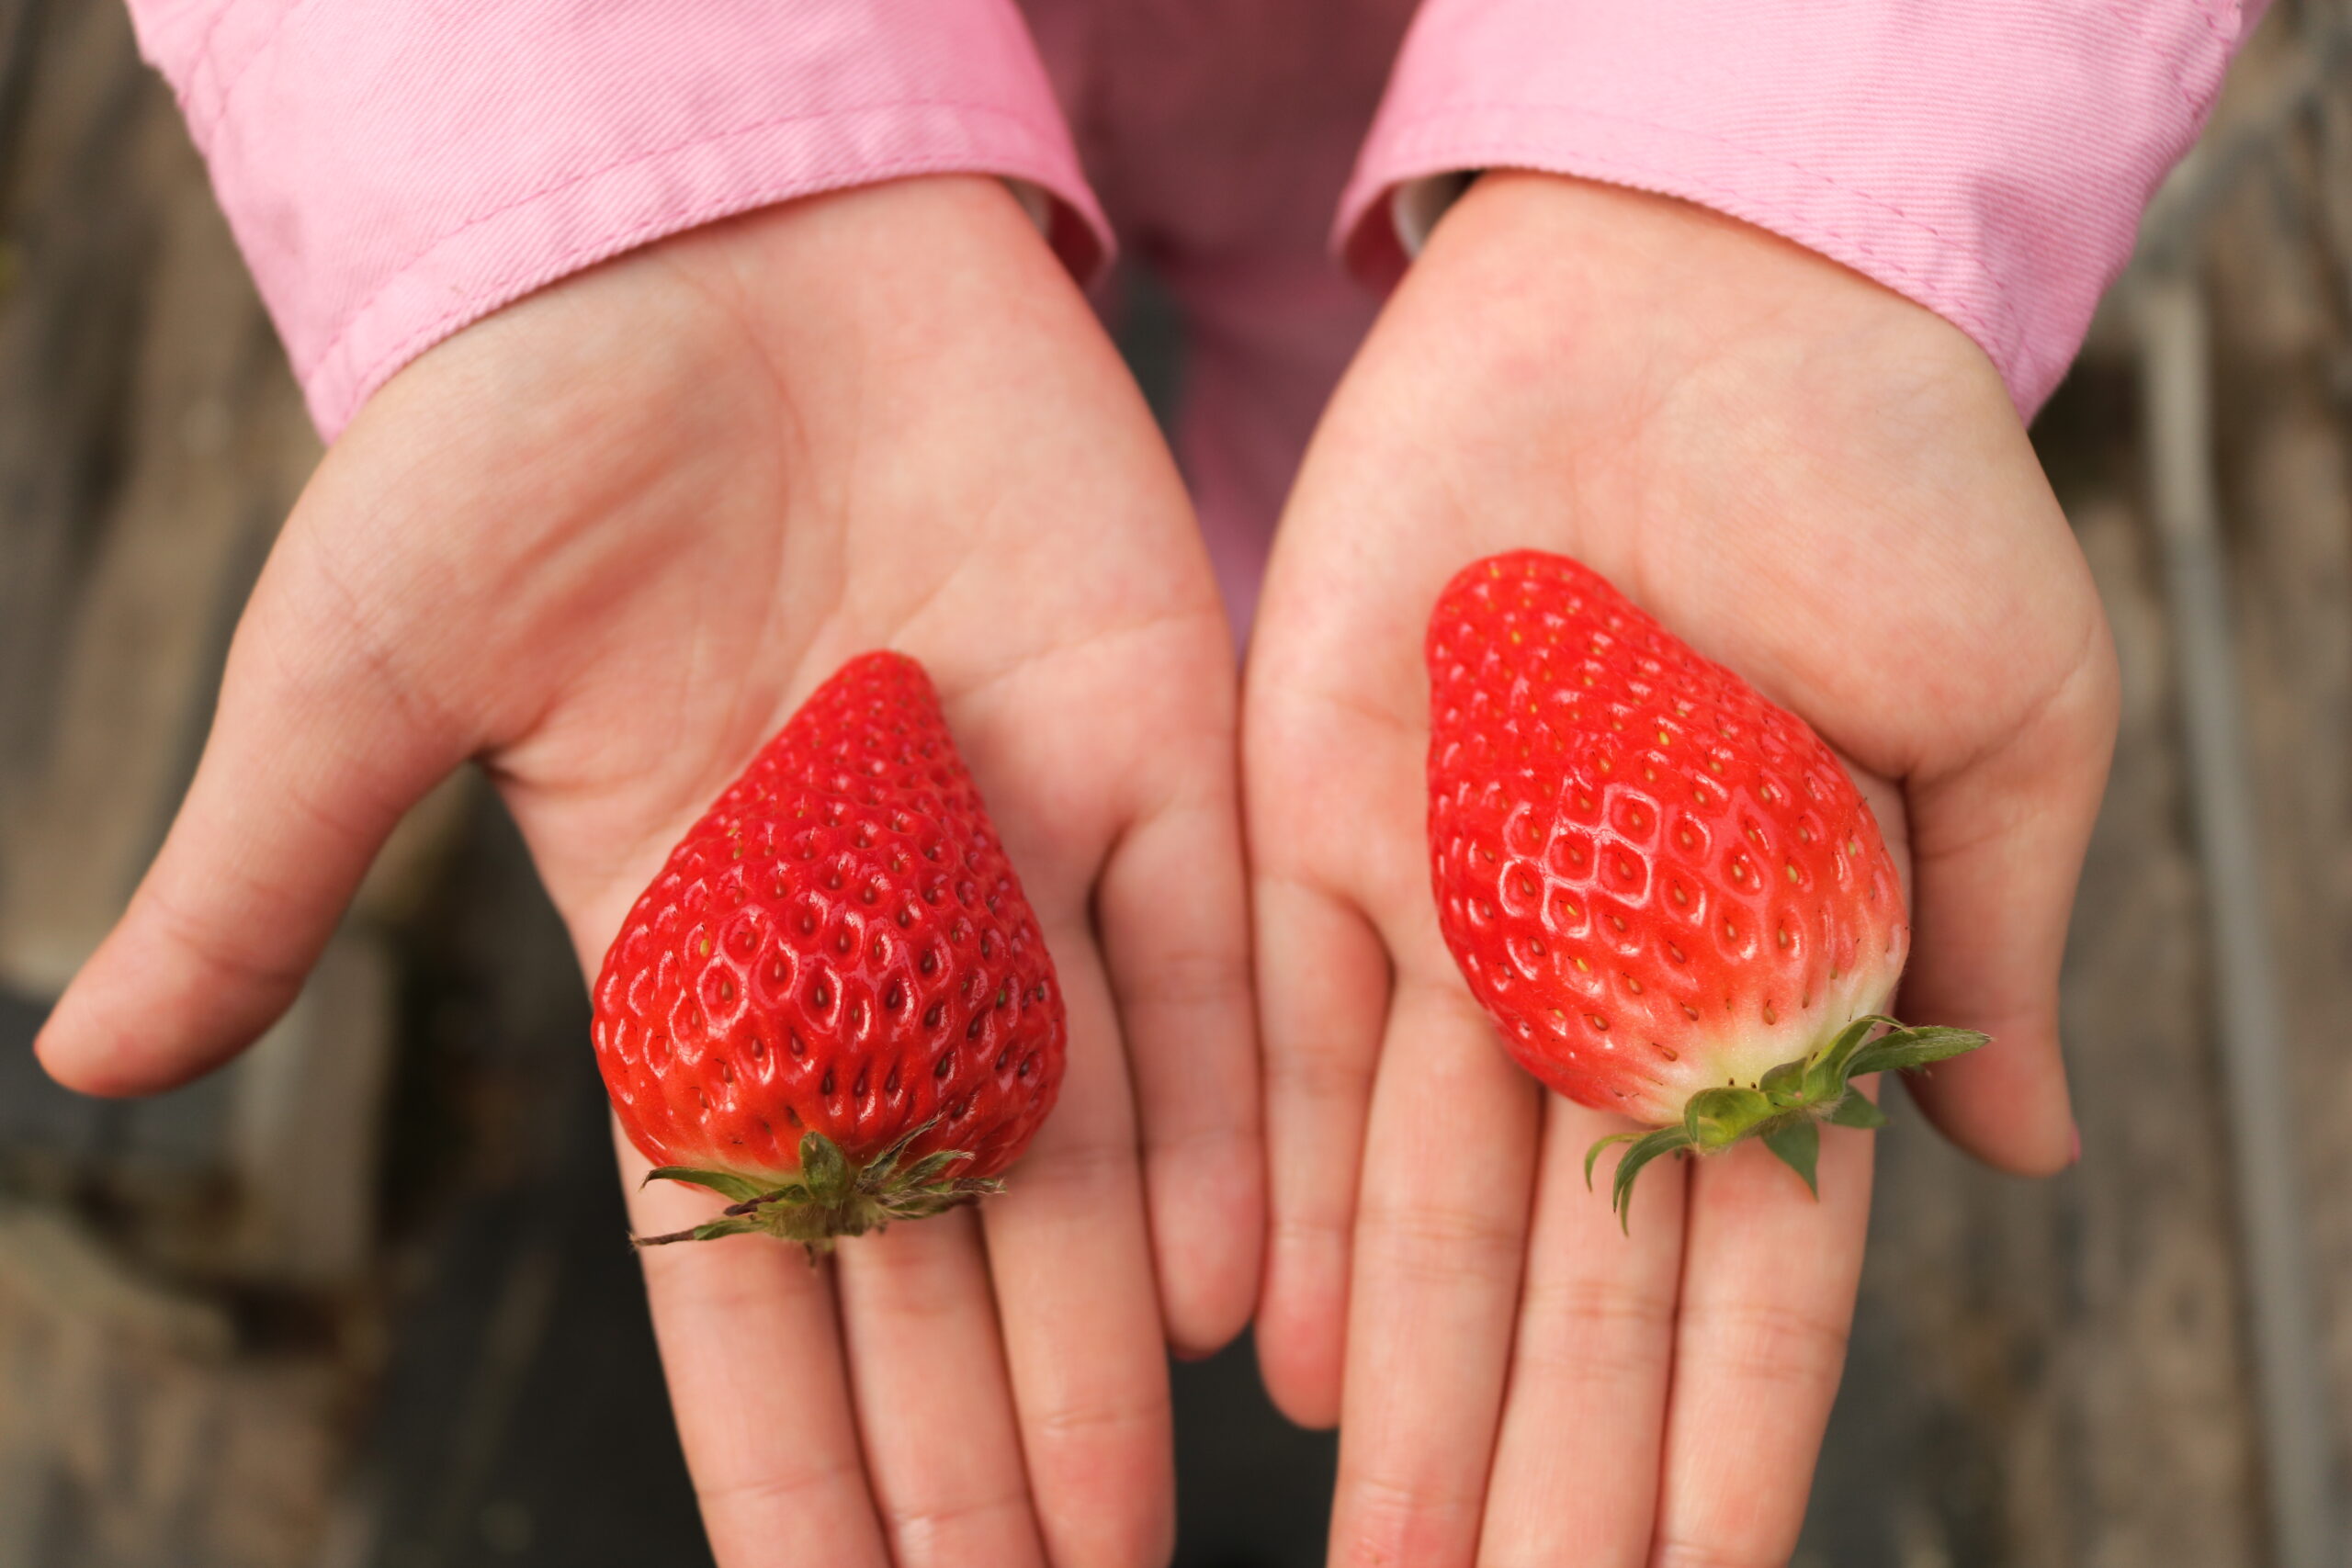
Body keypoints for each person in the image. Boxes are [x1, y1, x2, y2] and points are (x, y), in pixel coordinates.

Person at [35, 3, 2252, 1562]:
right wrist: (596, 155)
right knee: (1299, 675)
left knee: (1352, 634)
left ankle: (1270, 737)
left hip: (1597, 157)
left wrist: (1793, 166)